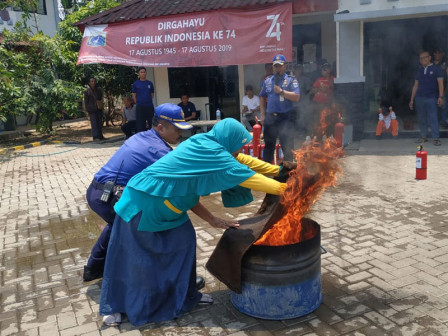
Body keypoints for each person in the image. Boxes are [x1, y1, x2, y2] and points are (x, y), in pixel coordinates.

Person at [99, 118, 292, 326]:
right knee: (134, 258)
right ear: (229, 140)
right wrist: (288, 189)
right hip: (143, 203)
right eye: (238, 144)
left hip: (169, 206)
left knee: (185, 241)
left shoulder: (210, 143)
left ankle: (188, 294)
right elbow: (246, 176)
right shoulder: (212, 152)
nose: (239, 150)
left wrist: (277, 171)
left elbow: (244, 161)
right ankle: (115, 306)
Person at [83, 103, 196, 283]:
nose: (181, 133)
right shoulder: (158, 151)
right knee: (150, 231)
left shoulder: (142, 136)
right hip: (111, 197)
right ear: (161, 127)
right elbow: (183, 185)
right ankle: (164, 280)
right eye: (177, 129)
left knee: (115, 226)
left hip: (96, 192)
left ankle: (93, 268)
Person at [260, 54, 300, 163]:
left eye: (279, 66)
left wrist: (281, 92)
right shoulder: (268, 81)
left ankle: (288, 174)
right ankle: (267, 172)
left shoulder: (291, 80)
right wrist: (262, 115)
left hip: (285, 118)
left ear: (285, 66)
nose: (277, 68)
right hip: (270, 118)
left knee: (287, 146)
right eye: (275, 66)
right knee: (268, 146)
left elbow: (296, 97)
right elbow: (262, 97)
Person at [409, 50, 444, 146]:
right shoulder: (419, 70)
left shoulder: (437, 69)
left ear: (429, 58)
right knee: (421, 118)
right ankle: (423, 136)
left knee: (433, 118)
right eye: (421, 58)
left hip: (432, 98)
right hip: (419, 98)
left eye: (425, 57)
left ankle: (436, 138)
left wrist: (441, 97)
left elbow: (440, 84)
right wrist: (412, 99)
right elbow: (415, 85)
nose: (423, 59)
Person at [310, 63, 335, 137]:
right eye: (322, 69)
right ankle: (317, 136)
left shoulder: (333, 78)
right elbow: (313, 90)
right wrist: (320, 89)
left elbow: (333, 87)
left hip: (327, 103)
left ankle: (327, 136)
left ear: (329, 70)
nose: (323, 71)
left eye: (325, 69)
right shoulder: (319, 79)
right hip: (317, 103)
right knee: (317, 120)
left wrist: (328, 79)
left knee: (327, 120)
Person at [132, 67, 155, 133]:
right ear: (138, 73)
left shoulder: (150, 83)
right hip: (140, 107)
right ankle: (141, 140)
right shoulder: (135, 84)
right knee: (140, 125)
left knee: (152, 124)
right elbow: (134, 96)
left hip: (149, 106)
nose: (143, 73)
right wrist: (138, 103)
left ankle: (153, 138)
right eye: (141, 72)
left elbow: (152, 95)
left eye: (144, 72)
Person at [84, 77, 105, 142]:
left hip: (98, 108)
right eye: (92, 81)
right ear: (89, 83)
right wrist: (87, 109)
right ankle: (95, 137)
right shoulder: (87, 91)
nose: (93, 83)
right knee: (94, 123)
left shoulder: (98, 90)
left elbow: (100, 98)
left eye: (94, 81)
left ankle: (100, 136)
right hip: (92, 109)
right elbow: (86, 101)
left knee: (99, 123)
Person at [293, 64, 312, 134]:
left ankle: (302, 134)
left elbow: (309, 91)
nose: (299, 71)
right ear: (294, 70)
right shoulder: (290, 79)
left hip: (302, 104)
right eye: (297, 69)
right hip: (292, 104)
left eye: (300, 69)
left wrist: (306, 101)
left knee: (302, 119)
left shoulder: (305, 79)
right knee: (293, 120)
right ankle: (294, 134)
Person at [433, 48, 448, 128]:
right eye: (436, 52)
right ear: (434, 54)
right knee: (432, 107)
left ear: (443, 54)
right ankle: (432, 123)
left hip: (443, 90)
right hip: (432, 89)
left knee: (443, 106)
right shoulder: (430, 64)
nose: (437, 54)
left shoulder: (445, 64)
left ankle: (444, 123)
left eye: (439, 53)